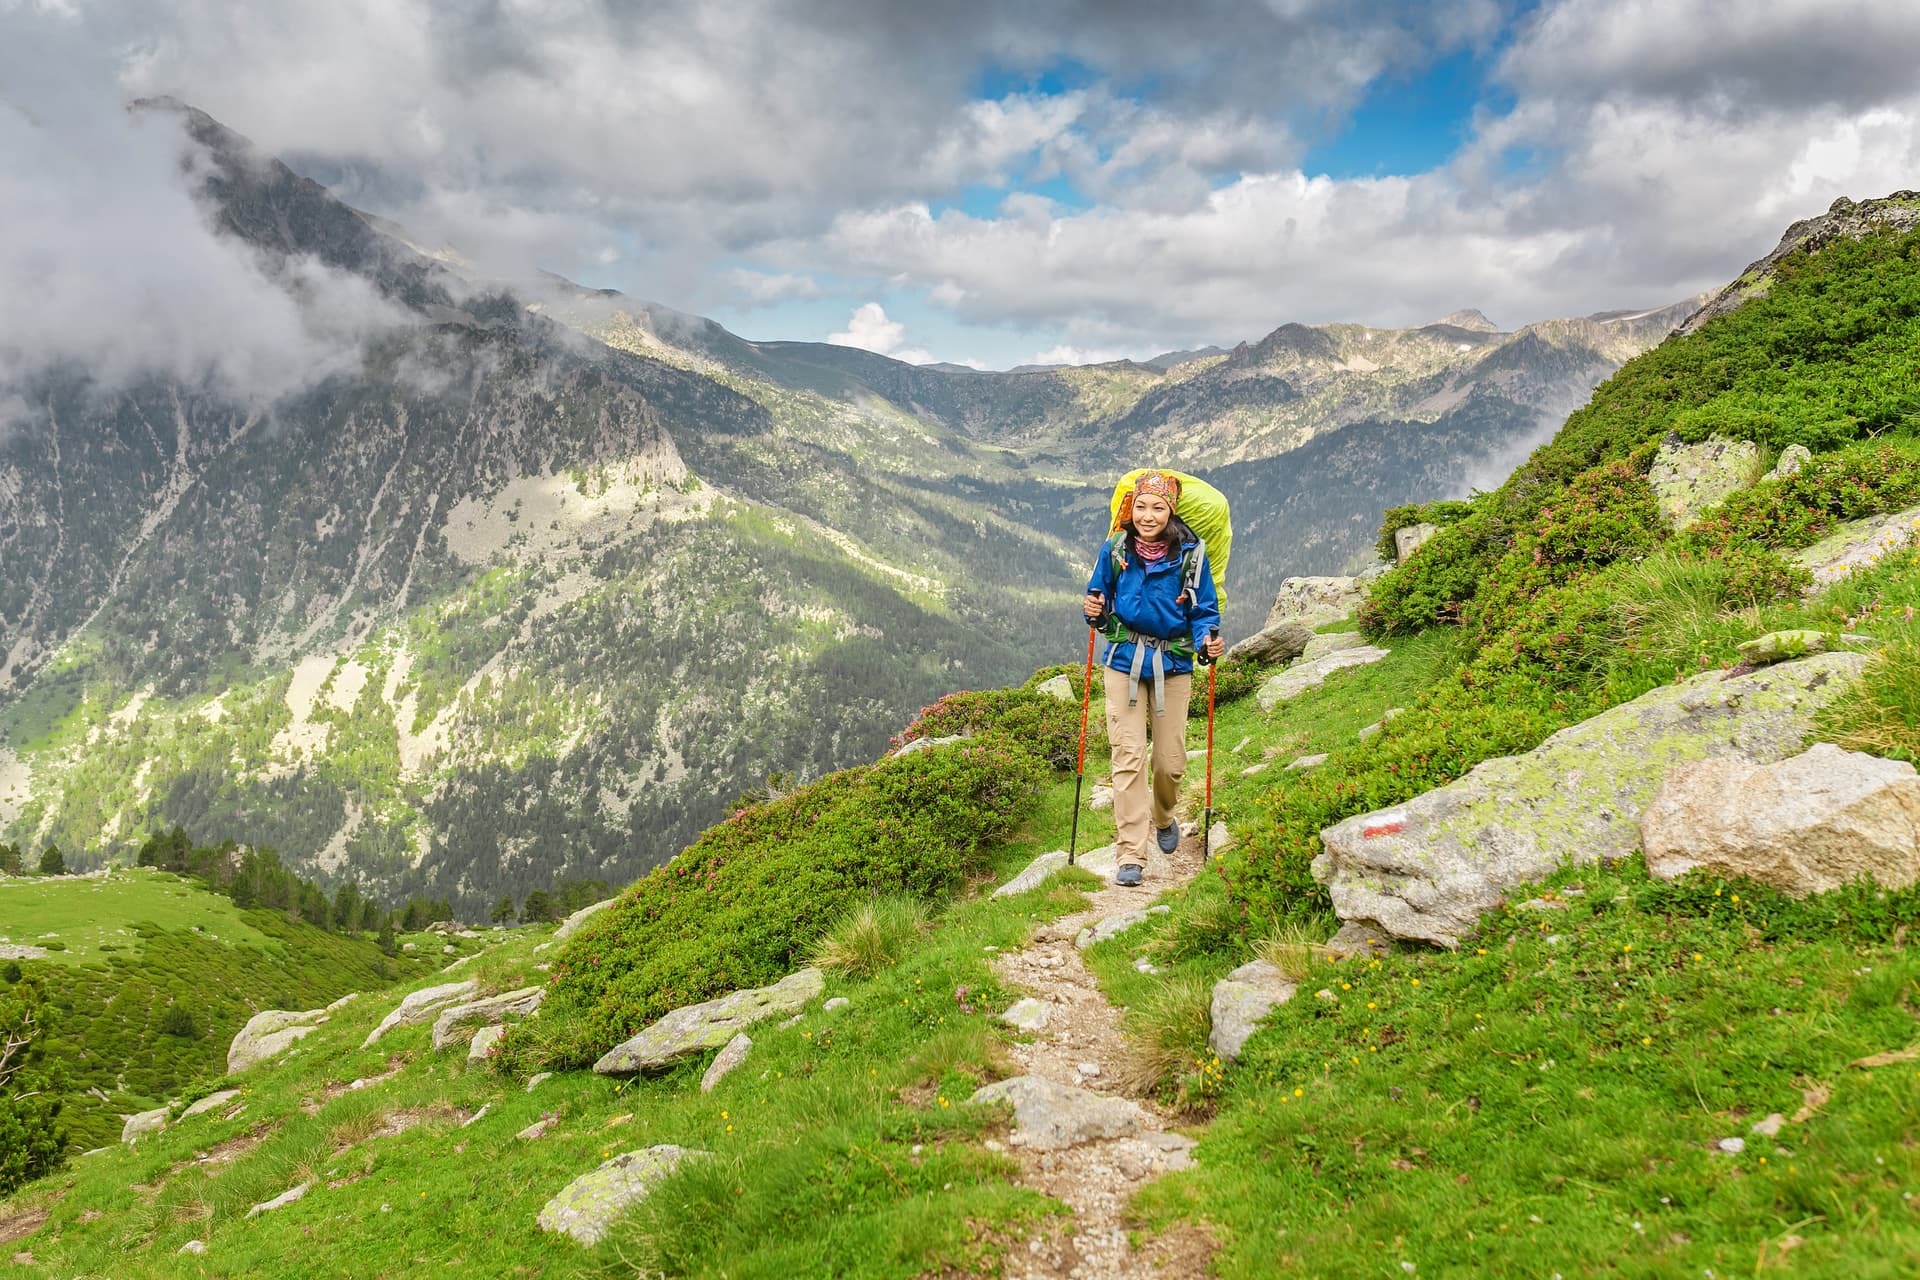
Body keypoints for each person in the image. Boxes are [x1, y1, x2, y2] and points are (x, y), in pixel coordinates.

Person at [1081, 470, 1224, 886]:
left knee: (1170, 763)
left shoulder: (1192, 557)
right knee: (1128, 758)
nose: (1147, 515)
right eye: (1141, 506)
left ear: (1170, 510)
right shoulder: (1116, 548)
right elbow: (1098, 595)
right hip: (1123, 660)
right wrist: (1093, 610)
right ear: (1131, 508)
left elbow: (1205, 613)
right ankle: (1130, 855)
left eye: (1157, 507)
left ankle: (1163, 816)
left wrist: (1206, 643)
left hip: (1173, 665)